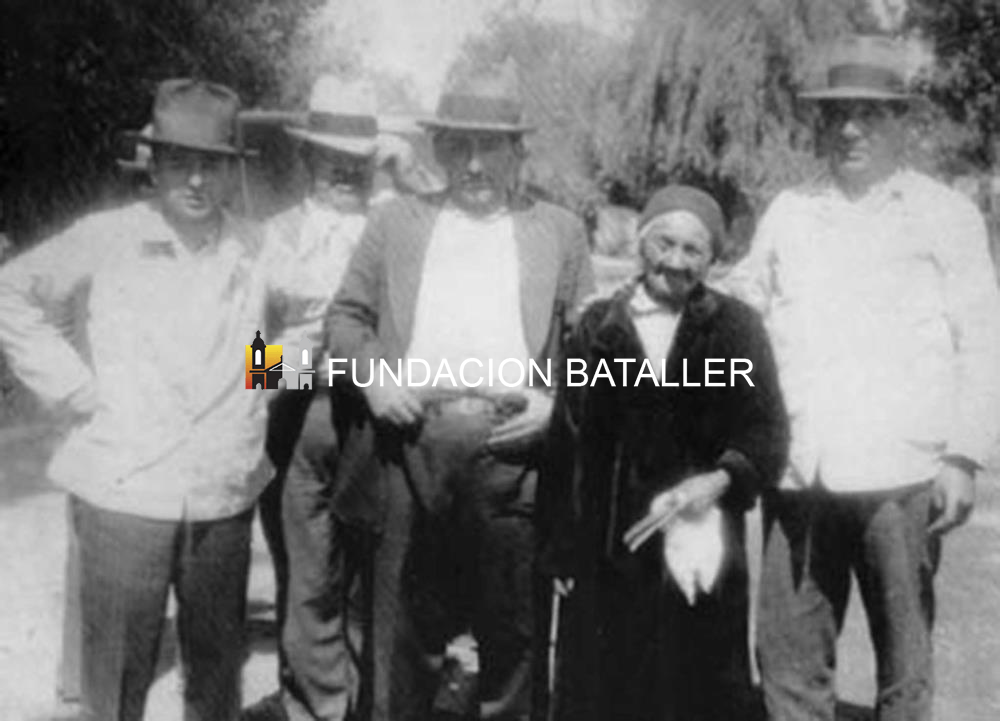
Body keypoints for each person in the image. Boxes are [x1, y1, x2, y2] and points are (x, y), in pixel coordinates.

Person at [0, 78, 328, 721]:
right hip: (125, 488)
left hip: (220, 492)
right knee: (115, 684)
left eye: (212, 165)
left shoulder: (257, 244)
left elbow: (316, 310)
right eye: (180, 162)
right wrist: (73, 386)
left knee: (215, 680)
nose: (197, 181)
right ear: (153, 164)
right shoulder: (108, 235)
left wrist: (263, 378)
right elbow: (11, 292)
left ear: (231, 172)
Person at [729, 35, 1000, 721]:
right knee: (789, 660)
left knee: (904, 662)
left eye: (869, 114)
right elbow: (742, 308)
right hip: (802, 468)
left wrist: (963, 457)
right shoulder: (790, 210)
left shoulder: (945, 214)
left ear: (901, 121)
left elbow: (983, 341)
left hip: (901, 471)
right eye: (837, 113)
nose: (850, 129)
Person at [326, 62, 595, 721]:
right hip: (409, 438)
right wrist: (374, 378)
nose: (475, 165)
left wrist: (556, 403)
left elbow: (591, 344)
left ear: (517, 152)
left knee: (513, 634)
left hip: (512, 448)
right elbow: (346, 318)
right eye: (460, 147)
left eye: (491, 147)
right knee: (401, 635)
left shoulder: (559, 230)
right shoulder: (397, 222)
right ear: (440, 150)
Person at [535, 185, 788, 721]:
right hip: (608, 549)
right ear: (640, 245)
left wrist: (718, 480)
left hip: (700, 547)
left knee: (695, 690)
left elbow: (766, 433)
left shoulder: (736, 328)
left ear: (712, 260)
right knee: (604, 690)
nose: (675, 261)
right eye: (664, 244)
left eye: (693, 250)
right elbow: (567, 441)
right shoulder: (597, 327)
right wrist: (562, 548)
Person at [248, 75, 380, 721]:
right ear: (306, 158)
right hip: (296, 418)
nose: (345, 171)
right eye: (331, 158)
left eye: (358, 161)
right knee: (306, 571)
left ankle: (365, 700)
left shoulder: (397, 232)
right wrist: (296, 364)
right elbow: (248, 359)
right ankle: (313, 705)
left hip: (377, 421)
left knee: (370, 573)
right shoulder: (266, 236)